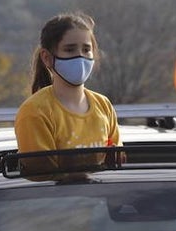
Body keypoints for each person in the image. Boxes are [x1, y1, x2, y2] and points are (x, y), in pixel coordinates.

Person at [14, 12, 121, 177]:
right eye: (70, 50)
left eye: (86, 49)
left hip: (101, 200)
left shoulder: (103, 105)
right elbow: (43, 176)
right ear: (47, 58)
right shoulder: (35, 111)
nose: (80, 56)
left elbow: (117, 163)